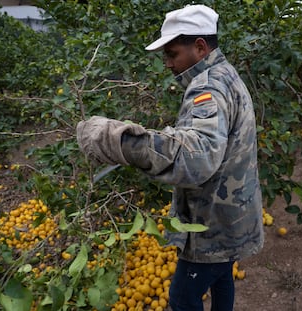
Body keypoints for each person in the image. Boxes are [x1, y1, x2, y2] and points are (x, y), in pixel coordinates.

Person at [76, 4, 264, 311]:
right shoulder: (226, 74)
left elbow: (196, 157)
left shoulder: (209, 87)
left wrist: (121, 142)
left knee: (181, 299)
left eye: (172, 53)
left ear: (200, 47)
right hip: (232, 216)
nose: (167, 63)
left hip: (209, 223)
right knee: (222, 277)